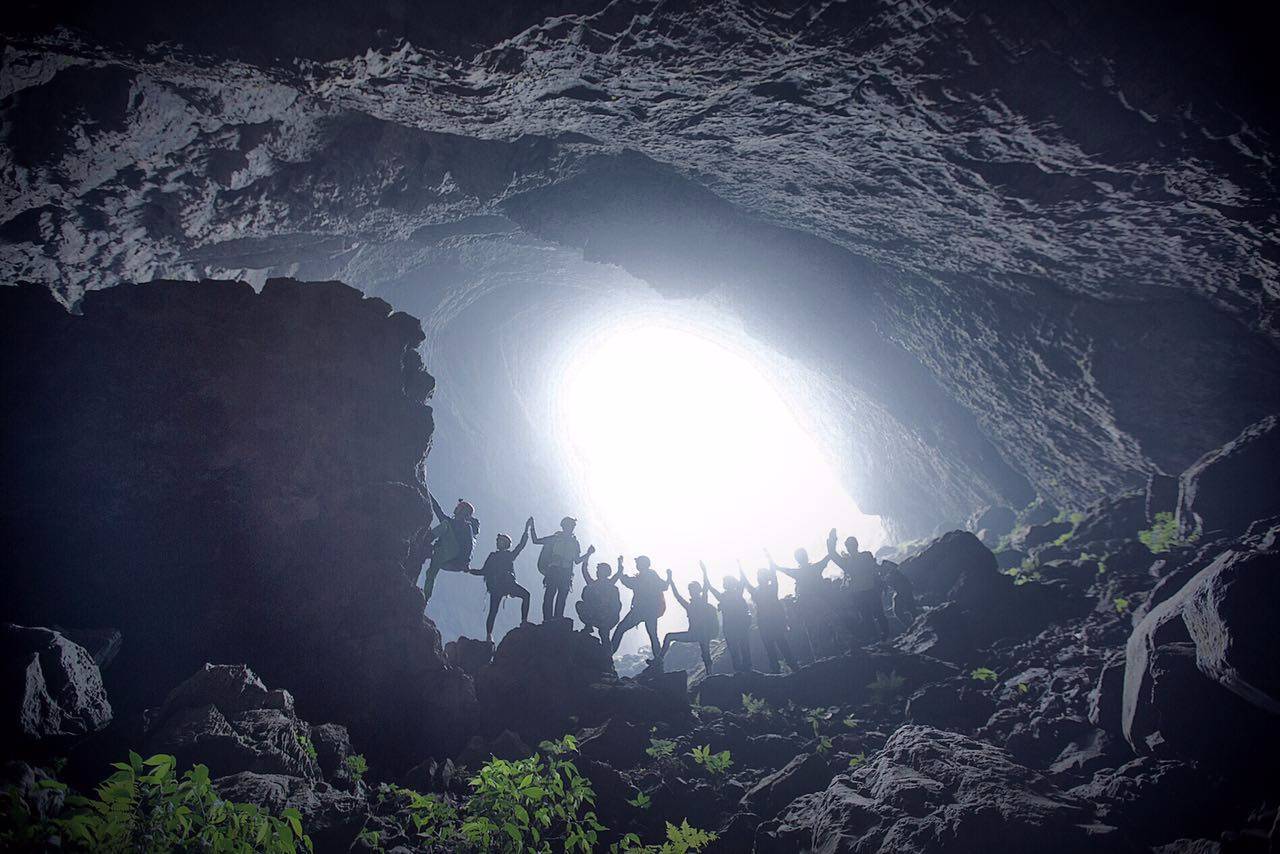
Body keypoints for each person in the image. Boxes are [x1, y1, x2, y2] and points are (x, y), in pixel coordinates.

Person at [469, 519, 533, 643]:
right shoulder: (496, 556)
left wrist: (526, 529)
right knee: (494, 611)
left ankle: (523, 622)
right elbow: (484, 571)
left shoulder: (507, 555)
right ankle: (490, 635)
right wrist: (469, 570)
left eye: (501, 541)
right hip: (500, 586)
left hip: (503, 585)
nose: (498, 543)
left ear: (505, 543)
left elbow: (521, 545)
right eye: (498, 541)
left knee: (525, 596)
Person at [767, 546, 833, 660]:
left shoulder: (799, 572)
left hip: (807, 607)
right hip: (819, 605)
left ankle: (820, 658)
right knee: (828, 627)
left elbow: (780, 568)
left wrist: (770, 559)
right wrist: (831, 546)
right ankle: (833, 652)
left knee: (814, 633)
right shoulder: (814, 568)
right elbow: (829, 557)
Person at [827, 528, 889, 641]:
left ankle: (877, 638)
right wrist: (882, 583)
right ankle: (885, 636)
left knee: (868, 617)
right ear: (857, 544)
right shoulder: (865, 556)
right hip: (869, 590)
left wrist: (832, 540)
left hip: (860, 593)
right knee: (878, 614)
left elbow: (832, 554)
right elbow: (875, 570)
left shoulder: (848, 562)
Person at [659, 564, 719, 674]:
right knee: (669, 636)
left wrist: (704, 571)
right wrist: (671, 580)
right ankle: (659, 660)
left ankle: (709, 673)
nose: (691, 591)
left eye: (693, 589)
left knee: (705, 652)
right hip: (695, 633)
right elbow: (677, 596)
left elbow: (705, 587)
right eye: (690, 589)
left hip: (702, 634)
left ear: (698, 591)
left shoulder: (702, 602)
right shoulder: (690, 606)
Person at [422, 491, 480, 603]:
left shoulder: (465, 527)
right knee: (431, 572)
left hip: (454, 556)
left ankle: (426, 540)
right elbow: (437, 509)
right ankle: (425, 599)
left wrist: (466, 562)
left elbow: (468, 546)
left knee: (445, 526)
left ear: (464, 512)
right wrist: (427, 491)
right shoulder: (458, 524)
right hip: (451, 561)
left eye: (459, 508)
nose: (456, 509)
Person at [530, 516, 591, 622]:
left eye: (571, 525)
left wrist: (588, 554)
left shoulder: (574, 543)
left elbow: (576, 560)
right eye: (569, 525)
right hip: (554, 569)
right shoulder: (556, 538)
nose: (570, 527)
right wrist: (531, 527)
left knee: (561, 596)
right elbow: (536, 541)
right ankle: (548, 620)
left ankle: (557, 619)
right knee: (551, 594)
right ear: (564, 526)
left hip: (565, 572)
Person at [741, 564, 800, 674]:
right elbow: (773, 575)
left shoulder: (758, 591)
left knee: (772, 649)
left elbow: (746, 583)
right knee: (782, 645)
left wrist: (740, 568)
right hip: (774, 622)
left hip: (765, 623)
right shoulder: (772, 588)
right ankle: (794, 668)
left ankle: (778, 671)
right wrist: (769, 559)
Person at [610, 555, 669, 660]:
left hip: (640, 610)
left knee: (621, 628)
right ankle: (659, 661)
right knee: (653, 635)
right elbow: (664, 586)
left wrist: (620, 567)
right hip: (650, 610)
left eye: (638, 563)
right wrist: (669, 577)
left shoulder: (646, 576)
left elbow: (626, 581)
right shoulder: (650, 575)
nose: (636, 565)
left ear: (643, 564)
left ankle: (608, 653)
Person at [706, 563, 753, 673]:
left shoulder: (724, 597)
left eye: (725, 582)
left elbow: (709, 587)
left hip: (732, 627)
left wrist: (705, 573)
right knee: (743, 648)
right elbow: (742, 581)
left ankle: (741, 671)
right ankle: (747, 669)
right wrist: (739, 566)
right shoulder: (736, 594)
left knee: (737, 650)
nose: (724, 584)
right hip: (738, 626)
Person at [576, 554, 624, 645]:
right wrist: (587, 556)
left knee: (604, 634)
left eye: (599, 570)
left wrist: (620, 563)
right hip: (595, 613)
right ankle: (588, 626)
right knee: (580, 604)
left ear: (605, 572)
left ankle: (606, 654)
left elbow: (619, 573)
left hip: (607, 616)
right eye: (597, 570)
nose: (597, 572)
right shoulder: (593, 584)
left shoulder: (610, 584)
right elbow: (585, 572)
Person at [879, 559, 917, 626]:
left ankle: (912, 624)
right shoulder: (888, 571)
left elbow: (894, 567)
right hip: (902, 590)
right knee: (908, 608)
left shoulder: (889, 570)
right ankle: (913, 624)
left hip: (903, 590)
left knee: (906, 609)